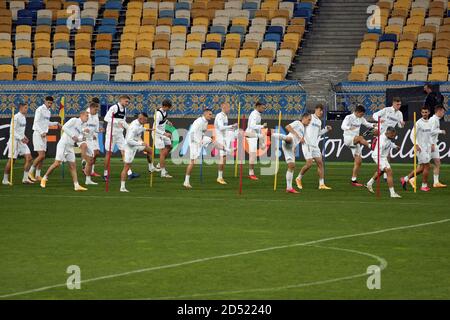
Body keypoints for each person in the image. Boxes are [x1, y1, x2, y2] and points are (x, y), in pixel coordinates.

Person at [40, 111, 89, 191]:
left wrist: (82, 138)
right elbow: (64, 127)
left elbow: (77, 139)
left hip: (70, 147)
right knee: (57, 163)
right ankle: (44, 178)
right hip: (63, 144)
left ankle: (76, 185)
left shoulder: (82, 127)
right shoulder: (74, 120)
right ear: (81, 115)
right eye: (87, 116)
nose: (88, 118)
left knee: (73, 166)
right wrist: (73, 136)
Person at [183, 109, 230, 189]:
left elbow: (203, 132)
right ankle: (186, 182)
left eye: (211, 114)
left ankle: (227, 150)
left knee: (212, 140)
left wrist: (203, 139)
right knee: (192, 162)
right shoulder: (198, 122)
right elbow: (191, 134)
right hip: (194, 142)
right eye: (210, 114)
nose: (211, 116)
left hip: (201, 139)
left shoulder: (206, 122)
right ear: (205, 114)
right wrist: (199, 142)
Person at [401, 106, 440, 192]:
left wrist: (432, 144)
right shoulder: (418, 123)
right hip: (420, 148)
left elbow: (429, 135)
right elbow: (412, 135)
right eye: (423, 112)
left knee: (421, 168)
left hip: (427, 148)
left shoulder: (430, 122)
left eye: (426, 112)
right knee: (427, 166)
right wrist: (416, 144)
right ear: (421, 113)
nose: (424, 114)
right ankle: (424, 185)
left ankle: (405, 179)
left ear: (429, 112)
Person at [273, 112, 312, 194]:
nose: (309, 122)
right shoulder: (298, 123)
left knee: (292, 166)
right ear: (304, 118)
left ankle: (289, 188)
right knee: (289, 139)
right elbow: (287, 127)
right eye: (309, 120)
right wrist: (297, 135)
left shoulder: (304, 129)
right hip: (288, 141)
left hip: (290, 147)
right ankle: (270, 134)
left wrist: (294, 147)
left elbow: (296, 141)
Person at [296, 104, 332, 190]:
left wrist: (326, 129)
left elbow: (318, 133)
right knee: (309, 164)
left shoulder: (319, 121)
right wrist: (300, 137)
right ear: (316, 109)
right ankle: (298, 178)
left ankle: (321, 184)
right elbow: (300, 126)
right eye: (320, 110)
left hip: (315, 145)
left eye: (323, 111)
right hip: (307, 144)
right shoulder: (309, 117)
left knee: (320, 163)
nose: (321, 112)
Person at [341, 104, 376, 187]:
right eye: (361, 114)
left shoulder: (361, 118)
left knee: (359, 161)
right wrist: (349, 128)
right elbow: (343, 126)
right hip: (348, 139)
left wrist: (376, 125)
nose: (362, 116)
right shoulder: (348, 117)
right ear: (357, 112)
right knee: (360, 138)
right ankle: (371, 146)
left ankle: (353, 180)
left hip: (355, 141)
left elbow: (368, 124)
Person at [372, 97, 405, 180]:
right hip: (381, 133)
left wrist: (402, 124)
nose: (399, 106)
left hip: (389, 135)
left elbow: (400, 126)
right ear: (393, 103)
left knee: (387, 155)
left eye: (400, 104)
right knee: (381, 154)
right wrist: (379, 120)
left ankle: (385, 174)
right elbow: (374, 115)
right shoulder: (386, 110)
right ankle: (373, 143)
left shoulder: (400, 114)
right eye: (397, 104)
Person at [29, 96, 61, 181]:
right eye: (48, 103)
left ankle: (37, 175)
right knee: (41, 155)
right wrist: (41, 132)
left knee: (43, 157)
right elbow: (35, 122)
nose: (50, 104)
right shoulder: (39, 109)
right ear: (45, 101)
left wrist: (56, 123)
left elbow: (47, 123)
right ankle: (30, 172)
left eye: (51, 103)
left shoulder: (48, 112)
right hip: (37, 134)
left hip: (44, 135)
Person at [120, 113, 153, 192]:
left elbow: (140, 128)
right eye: (145, 120)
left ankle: (151, 167)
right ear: (141, 118)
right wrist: (140, 143)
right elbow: (129, 141)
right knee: (127, 167)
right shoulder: (133, 127)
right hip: (129, 147)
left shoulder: (139, 123)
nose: (146, 121)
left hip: (136, 144)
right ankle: (122, 187)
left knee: (150, 150)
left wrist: (147, 129)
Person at [2, 103, 34, 185]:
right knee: (12, 160)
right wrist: (21, 138)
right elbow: (12, 131)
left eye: (27, 108)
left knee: (29, 158)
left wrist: (24, 136)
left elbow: (20, 131)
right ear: (21, 108)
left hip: (21, 141)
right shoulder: (16, 117)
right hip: (14, 141)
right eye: (25, 108)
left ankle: (25, 178)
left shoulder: (24, 117)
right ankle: (5, 180)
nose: (27, 109)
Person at [365, 127, 401, 198]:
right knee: (389, 171)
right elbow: (379, 153)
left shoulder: (388, 138)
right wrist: (382, 164)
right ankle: (392, 193)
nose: (393, 137)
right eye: (392, 135)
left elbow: (390, 143)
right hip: (378, 156)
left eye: (394, 135)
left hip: (383, 157)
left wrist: (395, 146)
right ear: (388, 133)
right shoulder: (382, 141)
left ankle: (369, 183)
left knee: (381, 171)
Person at [214, 102, 237, 185]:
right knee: (222, 157)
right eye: (228, 107)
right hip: (220, 138)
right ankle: (219, 177)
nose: (229, 109)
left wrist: (232, 128)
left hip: (224, 137)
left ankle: (220, 176)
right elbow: (220, 127)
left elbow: (224, 128)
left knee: (224, 158)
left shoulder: (225, 116)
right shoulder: (220, 116)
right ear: (223, 107)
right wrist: (231, 126)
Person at [79, 101, 101, 185]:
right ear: (91, 108)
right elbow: (78, 126)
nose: (96, 111)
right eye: (95, 110)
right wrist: (84, 130)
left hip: (91, 139)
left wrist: (98, 131)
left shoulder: (95, 117)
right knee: (86, 153)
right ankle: (83, 162)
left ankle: (88, 180)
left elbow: (95, 129)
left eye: (97, 110)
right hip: (83, 138)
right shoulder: (85, 115)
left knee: (91, 159)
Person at [245, 101, 267, 180]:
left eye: (264, 108)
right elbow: (252, 125)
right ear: (258, 107)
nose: (264, 109)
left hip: (254, 135)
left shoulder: (258, 114)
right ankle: (251, 174)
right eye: (262, 107)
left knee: (261, 137)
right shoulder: (254, 114)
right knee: (253, 155)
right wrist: (262, 126)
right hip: (250, 135)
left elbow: (256, 128)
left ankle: (263, 145)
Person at [153, 99, 173, 178]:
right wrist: (165, 133)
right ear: (164, 106)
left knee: (169, 147)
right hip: (157, 134)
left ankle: (159, 164)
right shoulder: (157, 114)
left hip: (162, 133)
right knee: (162, 152)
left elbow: (164, 119)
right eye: (168, 107)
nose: (169, 109)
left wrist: (167, 122)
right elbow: (155, 128)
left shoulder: (164, 112)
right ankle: (163, 172)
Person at [429, 105, 447, 188]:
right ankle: (410, 178)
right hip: (430, 144)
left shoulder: (436, 120)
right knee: (423, 165)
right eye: (443, 112)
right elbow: (430, 132)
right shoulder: (433, 120)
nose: (443, 113)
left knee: (437, 163)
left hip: (434, 144)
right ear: (439, 111)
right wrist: (441, 131)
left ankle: (436, 182)